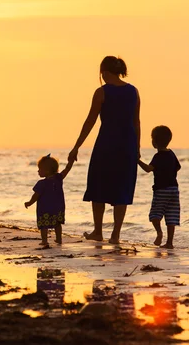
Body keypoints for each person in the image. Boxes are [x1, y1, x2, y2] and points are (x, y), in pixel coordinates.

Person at [68, 56, 141, 245]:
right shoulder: (134, 92)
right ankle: (115, 234)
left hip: (107, 144)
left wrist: (76, 146)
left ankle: (98, 231)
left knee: (98, 185)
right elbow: (136, 122)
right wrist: (137, 147)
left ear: (104, 72)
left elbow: (90, 121)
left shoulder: (101, 92)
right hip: (127, 145)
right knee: (122, 188)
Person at [138, 125, 181, 249]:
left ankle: (159, 233)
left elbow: (148, 169)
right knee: (171, 216)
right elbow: (178, 167)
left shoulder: (158, 156)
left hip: (161, 190)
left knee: (155, 215)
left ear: (154, 142)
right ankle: (170, 243)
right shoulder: (171, 153)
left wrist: (137, 161)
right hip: (174, 189)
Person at [24, 154, 74, 248]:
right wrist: (70, 161)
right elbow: (67, 169)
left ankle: (44, 241)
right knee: (57, 223)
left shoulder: (41, 183)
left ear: (46, 171)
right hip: (58, 207)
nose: (38, 171)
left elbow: (36, 196)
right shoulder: (59, 178)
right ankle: (59, 239)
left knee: (44, 225)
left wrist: (29, 203)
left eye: (40, 169)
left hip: (45, 208)